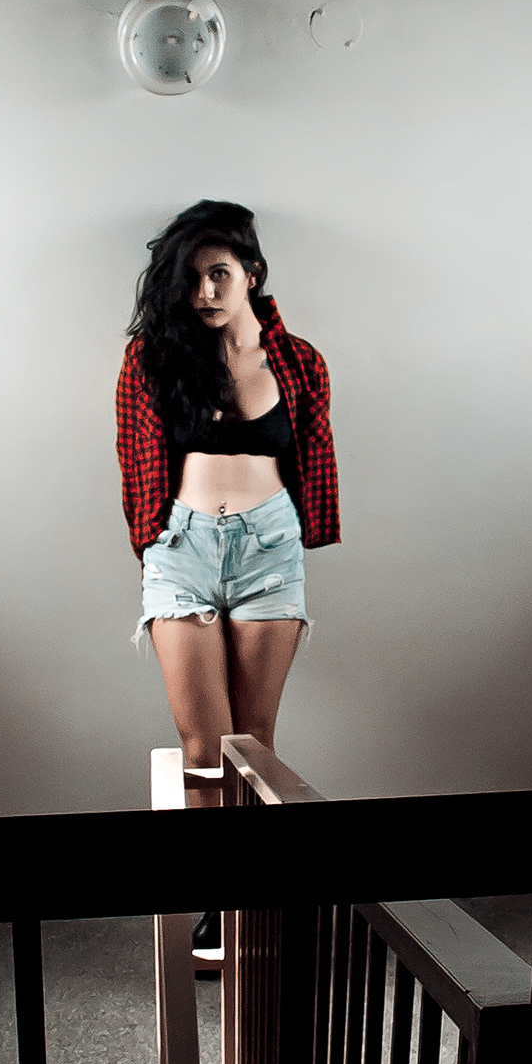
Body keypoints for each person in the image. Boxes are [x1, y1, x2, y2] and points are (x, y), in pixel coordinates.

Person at [115, 201, 341, 920]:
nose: (204, 292)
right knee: (202, 746)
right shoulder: (152, 359)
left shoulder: (299, 362)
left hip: (268, 550)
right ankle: (216, 894)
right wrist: (152, 548)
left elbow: (313, 456)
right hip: (183, 549)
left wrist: (303, 534)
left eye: (219, 273)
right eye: (190, 278)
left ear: (252, 273)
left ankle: (256, 899)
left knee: (254, 741)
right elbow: (135, 464)